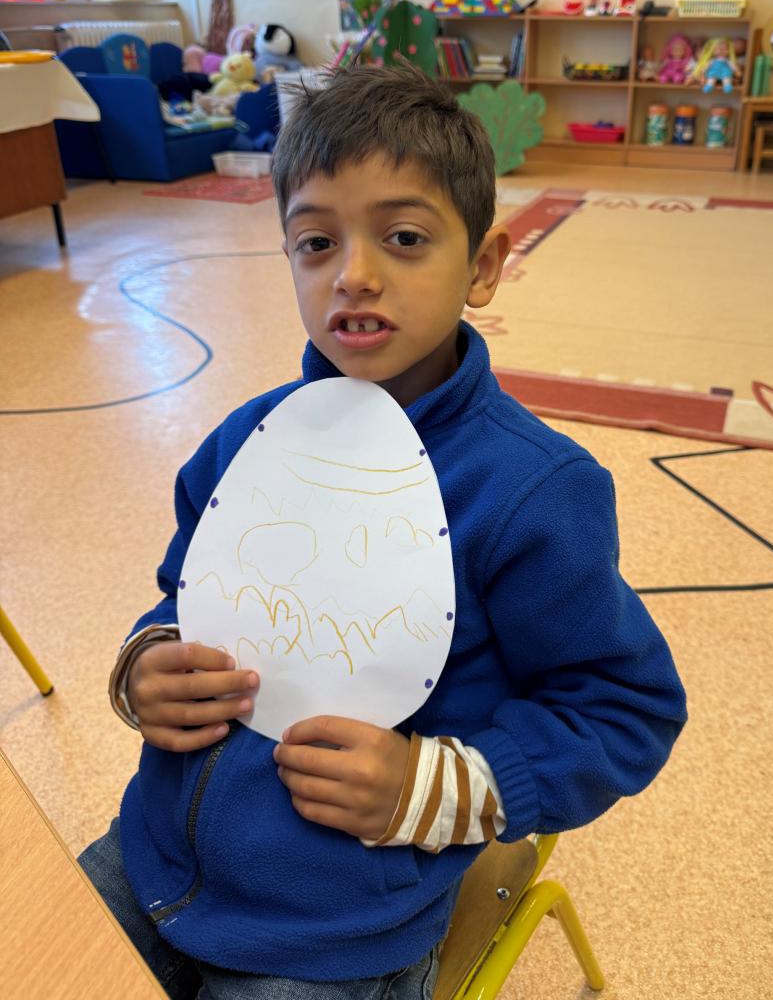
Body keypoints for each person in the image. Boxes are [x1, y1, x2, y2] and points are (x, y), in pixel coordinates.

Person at [79, 63, 687, 999]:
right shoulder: (242, 442)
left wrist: (426, 788)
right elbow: (181, 597)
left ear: (483, 266)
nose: (353, 275)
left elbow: (624, 711)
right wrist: (150, 663)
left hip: (338, 929)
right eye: (316, 242)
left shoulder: (533, 490)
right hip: (152, 858)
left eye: (404, 238)